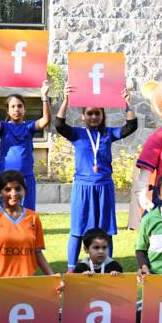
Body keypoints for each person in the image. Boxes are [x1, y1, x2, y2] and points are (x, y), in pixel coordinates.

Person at [55, 85, 137, 271]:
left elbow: (131, 126)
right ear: (83, 116)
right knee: (78, 229)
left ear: (102, 115)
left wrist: (127, 102)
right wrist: (66, 100)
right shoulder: (77, 133)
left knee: (106, 230)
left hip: (104, 187)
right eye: (90, 113)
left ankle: (109, 266)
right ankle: (71, 268)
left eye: (97, 113)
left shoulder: (108, 134)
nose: (93, 117)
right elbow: (59, 125)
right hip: (83, 187)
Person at [0, 170, 55, 292]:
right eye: (8, 189)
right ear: (0, 193)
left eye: (18, 189)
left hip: (27, 283)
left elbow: (37, 252)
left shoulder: (33, 217)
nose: (14, 193)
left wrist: (52, 277)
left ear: (24, 191)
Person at [0, 79, 51, 211]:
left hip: (25, 177)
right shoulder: (3, 127)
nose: (17, 109)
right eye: (13, 106)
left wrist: (44, 97)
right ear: (8, 111)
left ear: (24, 109)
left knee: (26, 214)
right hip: (5, 177)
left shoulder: (29, 127)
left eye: (20, 106)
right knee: (2, 214)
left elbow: (46, 120)